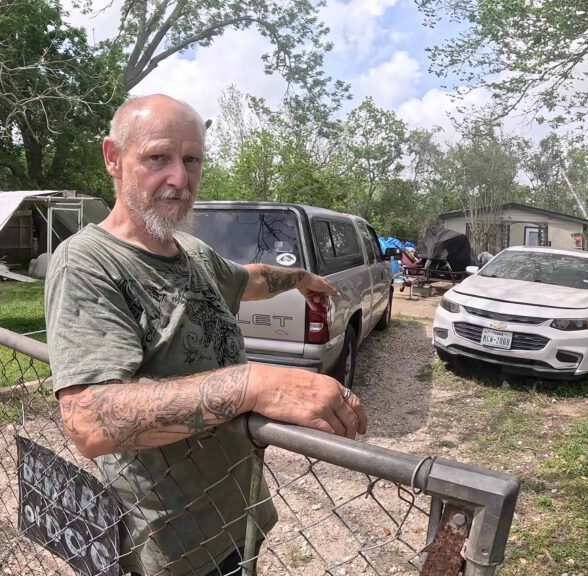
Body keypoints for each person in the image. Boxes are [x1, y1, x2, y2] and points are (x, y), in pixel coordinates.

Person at [45, 94, 368, 576]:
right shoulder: (87, 262)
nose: (180, 179)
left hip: (234, 517)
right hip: (168, 544)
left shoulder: (191, 251)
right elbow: (89, 420)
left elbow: (249, 278)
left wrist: (301, 278)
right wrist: (258, 384)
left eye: (191, 159)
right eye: (158, 158)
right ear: (113, 158)